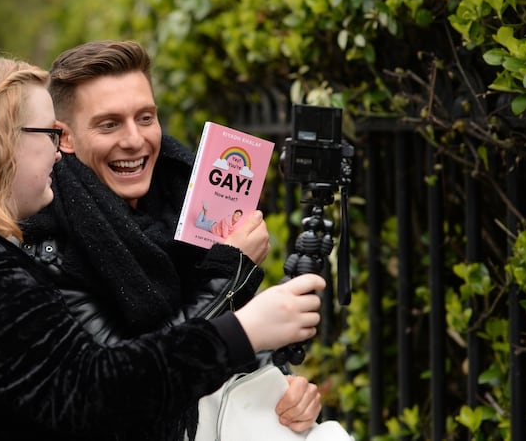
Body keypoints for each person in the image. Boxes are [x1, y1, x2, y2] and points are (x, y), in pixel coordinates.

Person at [0, 52, 324, 440]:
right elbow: (97, 393)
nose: (57, 153)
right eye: (48, 135)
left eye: (147, 116)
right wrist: (241, 328)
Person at [20, 40, 321, 440]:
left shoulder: (183, 198)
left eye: (145, 118)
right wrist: (228, 275)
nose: (134, 140)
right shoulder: (51, 241)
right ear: (66, 138)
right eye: (109, 124)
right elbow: (129, 385)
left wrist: (285, 390)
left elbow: (243, 345)